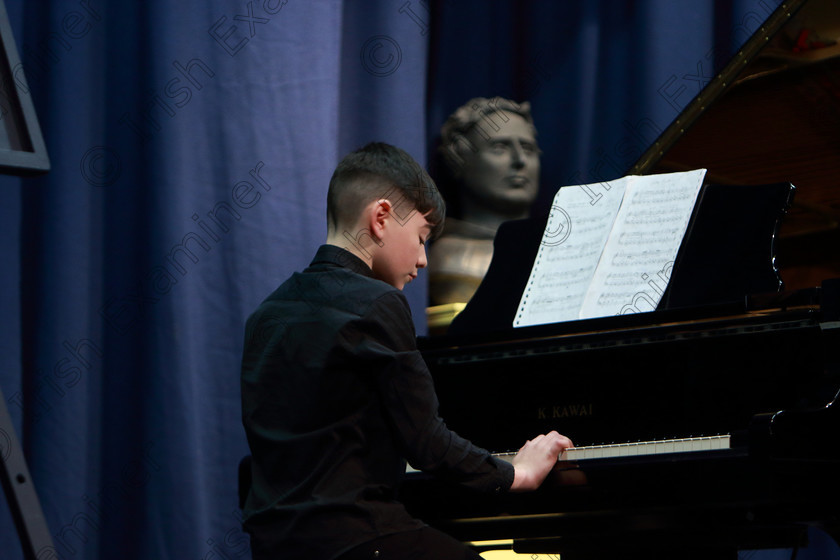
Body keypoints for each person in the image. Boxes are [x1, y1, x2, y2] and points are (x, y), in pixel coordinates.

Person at [240, 142, 572, 560]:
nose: (422, 260)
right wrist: (516, 474)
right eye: (420, 238)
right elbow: (426, 443)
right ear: (380, 218)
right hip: (359, 537)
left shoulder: (267, 313)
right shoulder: (377, 303)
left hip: (276, 543)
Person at [429, 97, 541, 307]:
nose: (520, 160)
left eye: (528, 149)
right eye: (500, 148)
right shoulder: (452, 258)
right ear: (459, 159)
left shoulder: (557, 253)